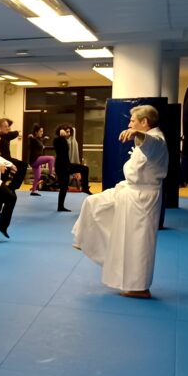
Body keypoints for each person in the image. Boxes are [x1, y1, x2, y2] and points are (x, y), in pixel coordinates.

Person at [72, 105, 168, 298]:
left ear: (144, 122)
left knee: (138, 242)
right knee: (94, 203)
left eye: (132, 121)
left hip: (143, 198)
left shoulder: (157, 139)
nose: (129, 124)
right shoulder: (148, 139)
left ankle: (140, 288)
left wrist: (137, 134)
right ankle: (85, 237)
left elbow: (151, 143)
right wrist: (138, 135)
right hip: (130, 190)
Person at [54, 124, 91, 212]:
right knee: (64, 187)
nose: (68, 133)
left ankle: (85, 188)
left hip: (67, 166)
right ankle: (60, 207)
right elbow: (59, 148)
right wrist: (61, 135)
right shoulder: (57, 140)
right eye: (66, 131)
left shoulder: (65, 141)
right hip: (61, 167)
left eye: (69, 132)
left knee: (85, 169)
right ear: (61, 131)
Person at [0, 118, 28, 191]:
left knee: (23, 165)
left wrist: (18, 131)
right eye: (5, 126)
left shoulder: (7, 135)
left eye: (8, 126)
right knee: (2, 180)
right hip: (0, 161)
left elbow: (15, 133)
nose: (8, 128)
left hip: (8, 159)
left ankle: (12, 187)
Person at [26, 124, 55, 196]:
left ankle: (33, 191)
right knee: (51, 158)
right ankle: (51, 174)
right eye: (41, 131)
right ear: (36, 132)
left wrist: (44, 138)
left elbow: (40, 143)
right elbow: (32, 139)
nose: (42, 132)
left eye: (42, 131)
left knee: (38, 177)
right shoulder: (33, 139)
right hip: (35, 159)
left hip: (35, 162)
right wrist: (30, 137)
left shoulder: (39, 140)